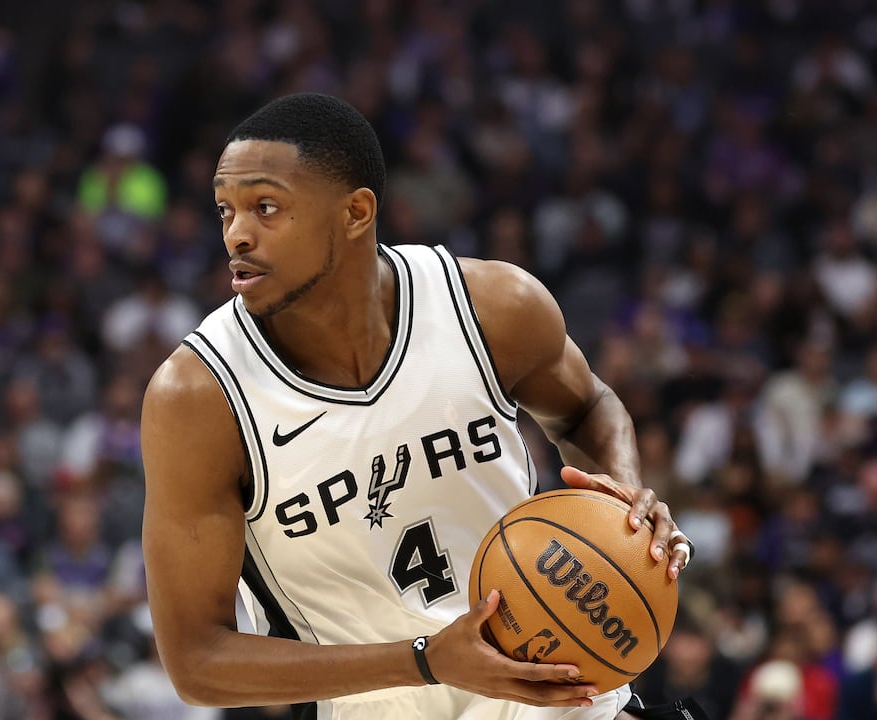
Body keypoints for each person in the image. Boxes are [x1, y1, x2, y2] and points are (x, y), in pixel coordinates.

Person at [140, 93, 693, 720]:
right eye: (226, 210)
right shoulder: (198, 397)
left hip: (554, 690)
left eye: (266, 208)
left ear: (355, 212)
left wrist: (624, 499)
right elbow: (195, 662)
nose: (237, 234)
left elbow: (588, 406)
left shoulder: (492, 306)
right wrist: (426, 659)